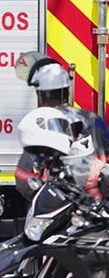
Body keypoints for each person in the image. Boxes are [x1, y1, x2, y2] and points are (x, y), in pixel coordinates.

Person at [17, 58, 109, 199]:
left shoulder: (40, 126)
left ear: (40, 94)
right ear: (67, 89)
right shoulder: (94, 120)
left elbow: (24, 179)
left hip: (56, 208)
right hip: (95, 207)